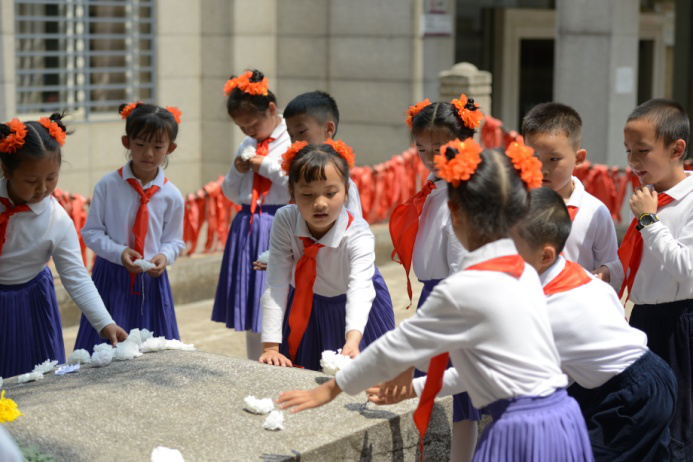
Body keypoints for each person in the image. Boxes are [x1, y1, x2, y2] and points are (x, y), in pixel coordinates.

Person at [277, 139, 593, 462]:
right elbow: (491, 370)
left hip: (520, 430)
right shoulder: (522, 272)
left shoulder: (465, 286)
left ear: (454, 213)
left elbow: (399, 345)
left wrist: (330, 388)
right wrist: (415, 385)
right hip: (563, 418)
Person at [386, 94, 482, 461]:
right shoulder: (435, 187)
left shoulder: (462, 194)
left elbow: (461, 262)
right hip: (435, 294)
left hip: (455, 297)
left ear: (464, 142)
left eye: (439, 149)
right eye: (422, 149)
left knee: (461, 395)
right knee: (444, 388)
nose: (430, 157)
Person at [596, 98, 693, 460]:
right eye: (628, 151)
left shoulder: (682, 201)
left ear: (676, 149)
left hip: (680, 324)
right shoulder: (649, 198)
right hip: (642, 319)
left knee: (677, 429)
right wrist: (609, 273)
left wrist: (649, 221)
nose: (633, 161)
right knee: (640, 420)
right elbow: (639, 262)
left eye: (642, 150)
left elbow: (686, 268)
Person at [0, 114, 127, 377]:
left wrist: (105, 322)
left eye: (51, 178)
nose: (42, 188)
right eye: (31, 181)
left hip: (34, 304)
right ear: (7, 171)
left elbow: (76, 276)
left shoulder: (57, 219)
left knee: (38, 377)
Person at [258, 140, 395, 371]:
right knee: (308, 374)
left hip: (358, 309)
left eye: (330, 193)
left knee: (363, 379)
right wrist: (271, 347)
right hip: (308, 306)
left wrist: (353, 340)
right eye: (307, 194)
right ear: (292, 193)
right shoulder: (285, 219)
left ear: (346, 191)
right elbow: (277, 281)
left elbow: (360, 288)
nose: (320, 203)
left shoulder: (358, 233)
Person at [73, 102, 184, 352]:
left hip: (152, 282)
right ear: (127, 142)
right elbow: (91, 232)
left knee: (153, 349)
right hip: (110, 277)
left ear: (171, 148)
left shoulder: (172, 195)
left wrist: (165, 256)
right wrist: (119, 252)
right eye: (140, 144)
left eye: (158, 146)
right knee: (105, 349)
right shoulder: (107, 186)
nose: (148, 153)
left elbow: (175, 240)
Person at [211, 69, 292, 360]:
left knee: (276, 295)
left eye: (253, 124)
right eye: (242, 127)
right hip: (248, 223)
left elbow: (296, 182)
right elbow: (230, 192)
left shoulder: (290, 138)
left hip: (279, 220)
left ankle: (283, 356)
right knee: (252, 301)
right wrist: (238, 170)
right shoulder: (248, 144)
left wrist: (265, 165)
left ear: (271, 110)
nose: (249, 132)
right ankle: (254, 360)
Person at [522, 102, 617, 271]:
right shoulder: (516, 205)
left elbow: (610, 267)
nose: (542, 169)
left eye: (553, 159)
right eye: (534, 158)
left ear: (579, 158)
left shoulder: (595, 212)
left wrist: (602, 274)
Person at [283, 90, 362, 216]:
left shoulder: (341, 179)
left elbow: (354, 221)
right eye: (291, 135)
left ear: (329, 128)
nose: (295, 141)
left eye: (302, 131)